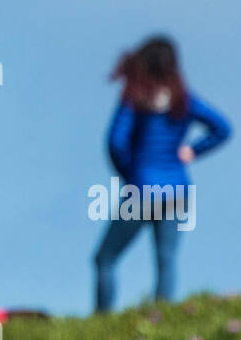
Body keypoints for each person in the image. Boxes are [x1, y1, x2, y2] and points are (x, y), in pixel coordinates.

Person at [94, 35, 231, 313]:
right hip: (178, 189)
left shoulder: (134, 100)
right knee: (166, 259)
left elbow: (116, 142)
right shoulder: (184, 100)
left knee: (105, 259)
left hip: (143, 188)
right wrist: (193, 150)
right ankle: (162, 317)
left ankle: (102, 318)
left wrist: (129, 172)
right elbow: (222, 128)